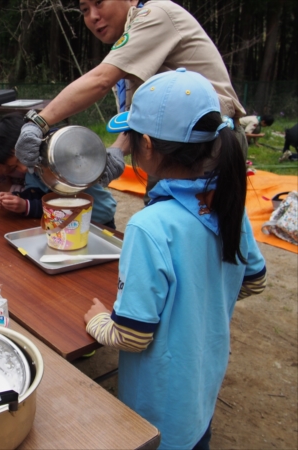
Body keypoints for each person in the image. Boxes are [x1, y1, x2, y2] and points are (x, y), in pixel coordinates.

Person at [83, 69, 267, 449]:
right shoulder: (227, 202)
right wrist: (202, 301)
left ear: (146, 145)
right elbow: (255, 280)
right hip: (201, 387)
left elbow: (131, 335)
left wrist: (97, 320)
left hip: (158, 408)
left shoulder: (149, 226)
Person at [15, 0, 248, 205]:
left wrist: (39, 121)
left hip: (206, 145)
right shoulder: (130, 48)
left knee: (190, 230)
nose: (93, 16)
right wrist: (117, 151)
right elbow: (141, 116)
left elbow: (100, 81)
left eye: (99, 2)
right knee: (167, 220)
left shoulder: (155, 15)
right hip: (170, 150)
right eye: (85, 9)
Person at [0, 112, 119, 228]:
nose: (24, 168)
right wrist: (16, 198)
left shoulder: (61, 157)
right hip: (72, 224)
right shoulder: (33, 164)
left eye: (20, 160)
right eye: (14, 167)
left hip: (98, 221)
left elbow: (61, 204)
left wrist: (26, 206)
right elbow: (35, 193)